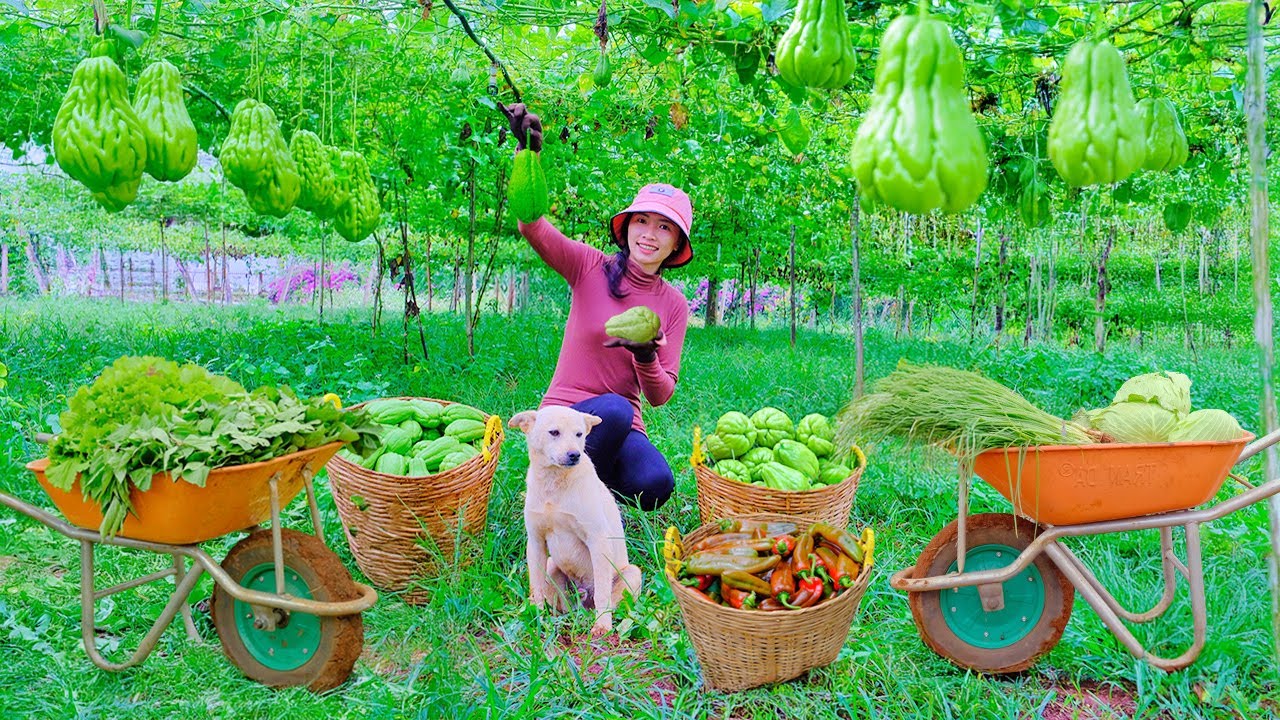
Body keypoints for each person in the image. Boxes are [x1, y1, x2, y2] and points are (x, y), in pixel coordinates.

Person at [503, 103, 693, 512]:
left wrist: (646, 356)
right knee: (613, 408)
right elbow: (530, 224)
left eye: (665, 227)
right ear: (626, 228)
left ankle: (581, 488)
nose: (650, 234)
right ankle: (561, 496)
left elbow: (661, 395)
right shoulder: (590, 266)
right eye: (642, 221)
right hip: (565, 421)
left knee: (656, 484)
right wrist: (527, 155)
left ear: (676, 244)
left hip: (623, 425)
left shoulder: (674, 305)